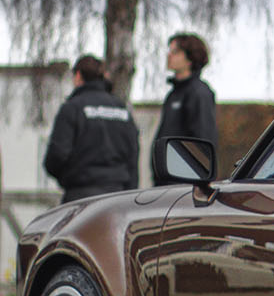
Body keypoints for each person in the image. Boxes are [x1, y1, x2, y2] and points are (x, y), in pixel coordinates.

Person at [44, 54, 140, 202]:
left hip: (80, 196)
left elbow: (56, 155)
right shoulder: (122, 110)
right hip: (118, 197)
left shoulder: (73, 108)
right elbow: (133, 155)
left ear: (78, 76)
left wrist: (67, 178)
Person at [151, 32, 218, 185]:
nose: (169, 56)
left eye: (175, 52)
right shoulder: (173, 94)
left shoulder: (199, 93)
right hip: (165, 181)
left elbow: (203, 140)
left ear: (190, 58)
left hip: (184, 184)